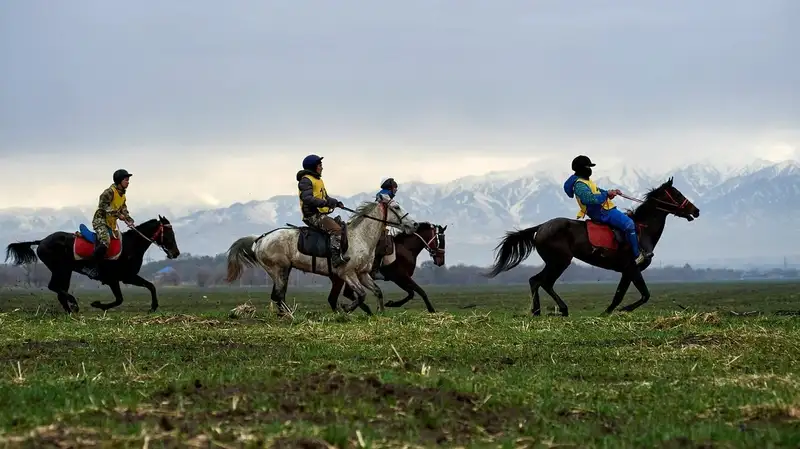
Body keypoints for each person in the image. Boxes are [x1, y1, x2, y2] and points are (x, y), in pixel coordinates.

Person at [563, 155, 652, 265]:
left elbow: (597, 191)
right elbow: (589, 199)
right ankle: (637, 255)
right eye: (588, 167)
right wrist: (606, 194)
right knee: (629, 224)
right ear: (582, 168)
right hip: (601, 212)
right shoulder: (580, 184)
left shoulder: (586, 181)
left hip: (604, 209)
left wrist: (611, 192)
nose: (590, 169)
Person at [296, 154, 349, 267]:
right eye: (320, 165)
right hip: (312, 215)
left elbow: (325, 197)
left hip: (320, 214)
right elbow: (307, 198)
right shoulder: (306, 180)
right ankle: (335, 258)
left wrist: (336, 202)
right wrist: (325, 203)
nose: (322, 167)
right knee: (337, 230)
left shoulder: (318, 180)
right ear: (313, 167)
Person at [90, 169, 135, 271]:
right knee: (105, 241)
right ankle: (92, 267)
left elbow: (124, 210)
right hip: (100, 221)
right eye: (126, 180)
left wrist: (130, 220)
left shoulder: (123, 196)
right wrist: (118, 214)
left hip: (111, 224)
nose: (128, 182)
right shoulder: (108, 192)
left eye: (128, 180)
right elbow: (102, 206)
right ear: (119, 181)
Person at [371, 178, 399, 280]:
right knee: (383, 244)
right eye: (395, 188)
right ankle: (374, 270)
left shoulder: (386, 196)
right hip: (377, 227)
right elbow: (392, 205)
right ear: (390, 188)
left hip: (381, 225)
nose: (396, 190)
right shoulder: (384, 195)